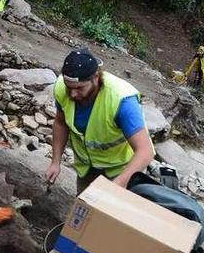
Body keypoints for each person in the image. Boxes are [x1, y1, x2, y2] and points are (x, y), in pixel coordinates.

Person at [45, 48, 155, 193]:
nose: (72, 94)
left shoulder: (121, 101)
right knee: (84, 211)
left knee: (112, 212)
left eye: (79, 88)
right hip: (87, 168)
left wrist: (118, 185)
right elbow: (60, 123)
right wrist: (55, 162)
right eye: (69, 87)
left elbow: (145, 151)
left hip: (121, 169)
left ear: (96, 77)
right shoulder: (62, 88)